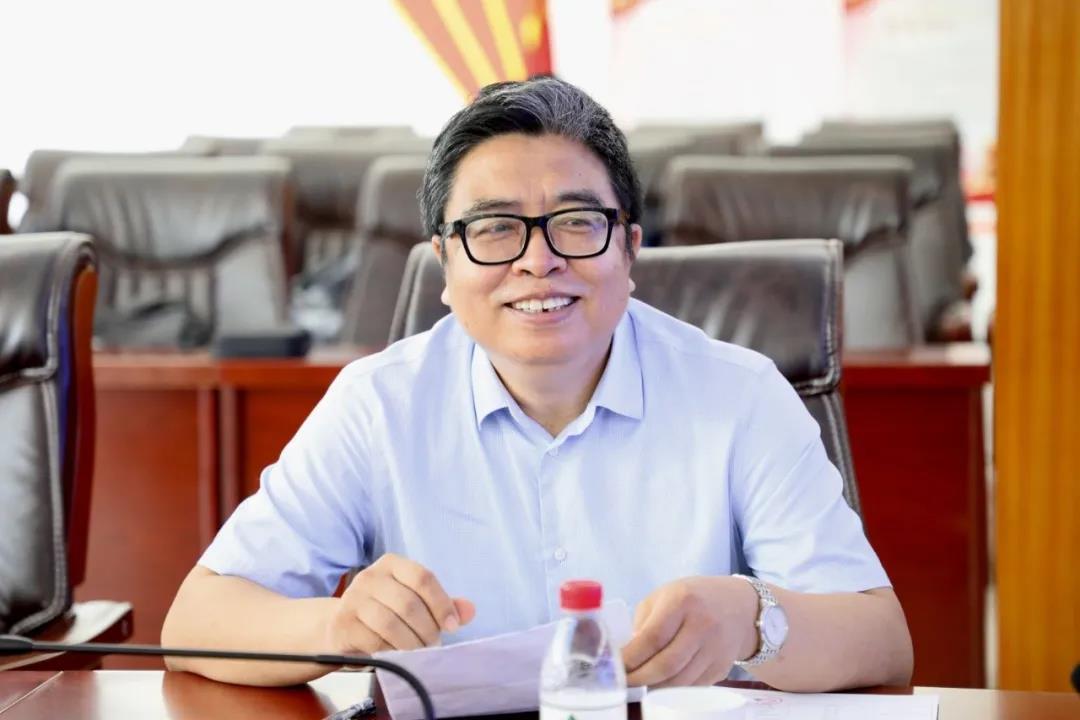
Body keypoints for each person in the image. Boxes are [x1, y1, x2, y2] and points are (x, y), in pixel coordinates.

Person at [162, 77, 912, 691]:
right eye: (494, 228)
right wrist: (336, 627)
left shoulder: (740, 395)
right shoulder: (378, 404)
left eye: (576, 222)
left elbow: (882, 642)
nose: (537, 260)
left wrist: (753, 618)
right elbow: (196, 619)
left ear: (629, 249)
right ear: (443, 264)